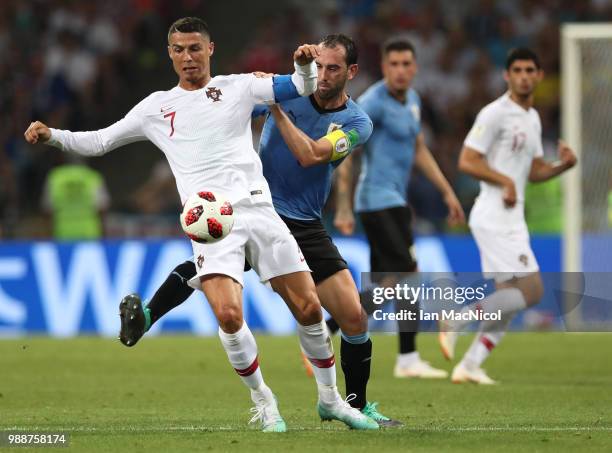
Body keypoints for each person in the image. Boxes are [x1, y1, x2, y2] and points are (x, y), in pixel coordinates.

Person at [24, 17, 375, 433]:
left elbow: (299, 87)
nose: (187, 57)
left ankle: (331, 400)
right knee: (228, 314)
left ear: (210, 49)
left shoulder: (239, 86)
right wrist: (53, 136)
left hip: (261, 209)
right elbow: (100, 141)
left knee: (309, 307)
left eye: (195, 48)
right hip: (211, 220)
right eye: (179, 50)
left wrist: (302, 64)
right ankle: (264, 401)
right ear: (169, 55)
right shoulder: (155, 107)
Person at [119, 34, 399, 428]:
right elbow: (221, 118)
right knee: (210, 271)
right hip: (254, 208)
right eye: (318, 66)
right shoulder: (287, 88)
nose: (321, 75)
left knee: (353, 318)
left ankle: (357, 403)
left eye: (333, 68)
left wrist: (276, 111)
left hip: (303, 220)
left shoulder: (357, 121)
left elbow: (311, 155)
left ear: (351, 72)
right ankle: (147, 317)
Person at [438, 47, 577, 384]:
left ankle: (469, 365)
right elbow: (467, 161)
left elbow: (533, 171)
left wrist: (563, 166)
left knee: (510, 301)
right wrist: (503, 181)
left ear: (539, 76)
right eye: (517, 70)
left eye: (530, 70)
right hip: (494, 215)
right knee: (532, 291)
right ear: (507, 75)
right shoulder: (494, 113)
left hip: (511, 217)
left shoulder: (532, 118)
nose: (524, 76)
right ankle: (457, 318)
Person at [332, 38, 465, 379]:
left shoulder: (414, 102)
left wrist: (447, 192)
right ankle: (326, 328)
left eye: (407, 64)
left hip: (396, 201)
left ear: (415, 67)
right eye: (394, 64)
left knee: (389, 284)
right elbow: (346, 151)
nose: (401, 71)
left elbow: (419, 148)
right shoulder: (372, 102)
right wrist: (343, 206)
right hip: (376, 201)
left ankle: (403, 358)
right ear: (385, 67)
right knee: (408, 274)